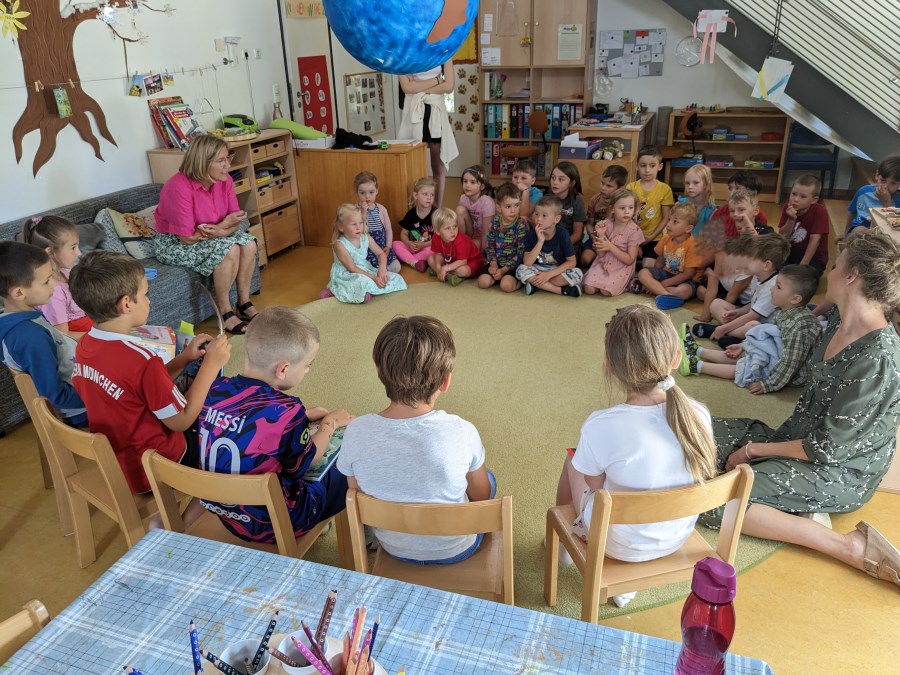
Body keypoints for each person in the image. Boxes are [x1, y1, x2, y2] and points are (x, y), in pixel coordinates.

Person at [699, 230, 900, 589]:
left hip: (839, 471)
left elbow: (828, 448)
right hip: (795, 439)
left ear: (852, 277)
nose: (829, 274)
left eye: (836, 266)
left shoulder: (878, 360)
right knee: (695, 432)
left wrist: (752, 451)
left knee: (714, 502)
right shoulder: (839, 319)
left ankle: (848, 546)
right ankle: (789, 500)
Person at [555, 304, 717, 607]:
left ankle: (565, 543)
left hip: (617, 544)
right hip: (676, 536)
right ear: (676, 359)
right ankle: (623, 585)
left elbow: (595, 485)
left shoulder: (602, 424)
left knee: (573, 461)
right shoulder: (698, 414)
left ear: (609, 365)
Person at [69, 250, 230, 494]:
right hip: (157, 467)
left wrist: (184, 359)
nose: (149, 301)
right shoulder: (141, 359)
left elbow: (140, 387)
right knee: (226, 429)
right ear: (126, 304)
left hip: (117, 462)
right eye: (145, 294)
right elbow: (181, 420)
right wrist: (211, 366)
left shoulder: (85, 345)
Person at [338, 315, 496, 563]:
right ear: (446, 382)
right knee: (487, 479)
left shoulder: (355, 431)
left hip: (393, 547)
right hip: (455, 549)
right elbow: (481, 496)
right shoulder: (462, 431)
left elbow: (356, 491)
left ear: (379, 371)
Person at [198, 307, 352, 544]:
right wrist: (329, 424)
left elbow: (247, 421)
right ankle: (366, 530)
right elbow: (307, 461)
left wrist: (303, 417)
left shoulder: (215, 390)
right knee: (351, 458)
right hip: (278, 522)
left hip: (228, 517)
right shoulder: (288, 411)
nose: (308, 369)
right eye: (308, 364)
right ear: (283, 369)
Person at [153, 134, 259, 335]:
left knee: (249, 244)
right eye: (221, 160)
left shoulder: (225, 180)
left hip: (211, 233)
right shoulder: (177, 187)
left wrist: (222, 229)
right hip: (175, 243)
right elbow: (187, 238)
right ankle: (225, 311)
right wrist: (223, 228)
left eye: (228, 158)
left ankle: (243, 303)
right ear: (202, 162)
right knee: (230, 249)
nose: (228, 165)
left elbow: (235, 221)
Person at [680, 265, 822, 394]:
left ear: (795, 299)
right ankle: (698, 351)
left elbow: (790, 364)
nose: (772, 289)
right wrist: (744, 346)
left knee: (746, 367)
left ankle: (697, 366)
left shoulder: (800, 328)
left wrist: (768, 384)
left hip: (792, 373)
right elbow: (769, 336)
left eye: (778, 287)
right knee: (747, 353)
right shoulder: (784, 310)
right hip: (777, 353)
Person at [0, 241, 86, 427]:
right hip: (81, 409)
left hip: (84, 385)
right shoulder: (29, 336)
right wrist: (103, 393)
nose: (54, 284)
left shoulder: (20, 318)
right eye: (47, 281)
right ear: (19, 293)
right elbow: (55, 395)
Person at [693, 234, 790, 346]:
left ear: (766, 265)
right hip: (752, 319)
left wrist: (724, 328)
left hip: (763, 329)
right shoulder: (759, 278)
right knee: (716, 304)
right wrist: (737, 312)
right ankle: (733, 335)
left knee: (751, 326)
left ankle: (723, 332)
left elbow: (753, 315)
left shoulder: (772, 287)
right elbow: (753, 305)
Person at [694, 190, 773, 322]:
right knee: (710, 298)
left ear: (755, 211)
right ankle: (727, 323)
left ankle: (735, 326)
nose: (736, 214)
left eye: (741, 209)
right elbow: (715, 283)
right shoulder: (731, 243)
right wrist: (706, 314)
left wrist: (750, 228)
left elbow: (765, 252)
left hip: (762, 303)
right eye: (732, 211)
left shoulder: (766, 232)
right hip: (743, 303)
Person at [398, 59, 458, 208]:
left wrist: (417, 86)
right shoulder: (404, 53)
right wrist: (437, 80)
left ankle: (436, 208)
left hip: (435, 110)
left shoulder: (443, 52)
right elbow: (407, 88)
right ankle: (416, 208)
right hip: (414, 110)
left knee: (438, 167)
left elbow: (449, 86)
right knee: (413, 165)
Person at [22, 215, 92, 341]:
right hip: (82, 338)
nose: (79, 253)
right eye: (73, 247)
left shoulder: (64, 272)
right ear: (50, 252)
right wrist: (99, 336)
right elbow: (62, 336)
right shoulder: (53, 291)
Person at [325, 204, 407, 304]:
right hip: (348, 273)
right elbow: (352, 268)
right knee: (362, 281)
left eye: (361, 222)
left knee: (395, 278)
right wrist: (374, 278)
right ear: (341, 227)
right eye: (353, 224)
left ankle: (369, 291)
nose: (358, 227)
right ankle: (334, 290)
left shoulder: (365, 237)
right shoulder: (339, 245)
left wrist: (382, 269)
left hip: (365, 269)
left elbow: (381, 254)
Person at [516, 195, 583, 297]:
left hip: (557, 270)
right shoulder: (531, 234)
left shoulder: (563, 234)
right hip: (537, 269)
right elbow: (527, 262)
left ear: (556, 219)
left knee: (577, 273)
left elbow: (572, 262)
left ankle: (537, 285)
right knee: (520, 270)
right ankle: (560, 290)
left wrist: (548, 275)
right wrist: (540, 242)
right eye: (536, 214)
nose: (538, 219)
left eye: (544, 216)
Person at [582, 188, 644, 297]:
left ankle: (626, 284)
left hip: (621, 267)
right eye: (622, 208)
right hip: (603, 263)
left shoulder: (634, 231)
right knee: (588, 289)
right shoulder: (606, 224)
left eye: (631, 207)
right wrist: (601, 235)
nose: (627, 211)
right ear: (612, 209)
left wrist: (610, 246)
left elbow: (630, 260)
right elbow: (601, 254)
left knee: (606, 291)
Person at [635, 202, 702, 301]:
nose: (669, 224)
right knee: (642, 273)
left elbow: (688, 274)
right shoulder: (666, 238)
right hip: (667, 274)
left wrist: (662, 284)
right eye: (669, 220)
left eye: (675, 221)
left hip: (687, 280)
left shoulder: (693, 245)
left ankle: (655, 289)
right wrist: (655, 278)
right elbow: (660, 261)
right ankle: (665, 294)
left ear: (688, 228)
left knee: (683, 291)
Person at [477, 182, 529, 293]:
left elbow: (521, 253)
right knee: (483, 282)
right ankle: (497, 277)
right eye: (508, 206)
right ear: (499, 207)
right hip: (497, 262)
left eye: (516, 205)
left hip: (513, 265)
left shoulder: (521, 224)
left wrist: (504, 270)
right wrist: (493, 264)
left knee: (506, 286)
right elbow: (490, 246)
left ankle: (520, 282)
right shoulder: (495, 222)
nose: (513, 210)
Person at [626, 146, 675, 263]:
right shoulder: (631, 187)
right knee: (627, 262)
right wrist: (637, 239)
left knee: (648, 266)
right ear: (637, 166)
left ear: (660, 166)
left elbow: (666, 218)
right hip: (632, 236)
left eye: (652, 166)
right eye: (643, 165)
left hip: (654, 238)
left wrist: (650, 237)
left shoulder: (665, 189)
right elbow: (627, 216)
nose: (647, 170)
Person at [778, 174, 830, 275]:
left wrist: (802, 267)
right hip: (792, 250)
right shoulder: (787, 208)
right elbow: (783, 236)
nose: (796, 199)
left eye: (803, 197)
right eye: (793, 194)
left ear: (814, 200)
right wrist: (791, 220)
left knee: (803, 278)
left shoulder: (820, 211)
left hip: (813, 257)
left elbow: (814, 241)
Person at [843, 154, 900, 237]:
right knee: (859, 230)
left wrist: (886, 203)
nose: (886, 187)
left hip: (884, 234)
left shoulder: (898, 200)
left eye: (893, 183)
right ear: (877, 175)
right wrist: (845, 233)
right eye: (883, 180)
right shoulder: (864, 191)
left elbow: (891, 227)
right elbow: (852, 212)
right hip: (860, 229)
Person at [581, 164, 628, 267]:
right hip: (597, 238)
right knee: (585, 259)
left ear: (620, 188)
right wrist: (593, 237)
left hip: (616, 241)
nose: (603, 188)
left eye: (609, 186)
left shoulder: (624, 203)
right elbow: (589, 224)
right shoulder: (594, 200)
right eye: (602, 183)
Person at [355, 171, 400, 273]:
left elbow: (388, 229)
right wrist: (363, 213)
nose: (367, 196)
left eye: (371, 192)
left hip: (382, 246)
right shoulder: (355, 210)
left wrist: (388, 246)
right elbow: (360, 230)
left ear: (376, 191)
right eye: (362, 193)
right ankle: (373, 270)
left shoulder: (382, 209)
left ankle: (381, 268)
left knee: (396, 268)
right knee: (364, 268)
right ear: (357, 192)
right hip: (366, 247)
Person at [428, 207, 483, 286]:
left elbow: (463, 261)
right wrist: (438, 266)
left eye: (455, 226)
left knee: (462, 271)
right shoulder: (436, 238)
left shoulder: (461, 240)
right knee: (430, 259)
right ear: (437, 231)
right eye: (448, 228)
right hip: (453, 261)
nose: (452, 231)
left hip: (471, 261)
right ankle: (446, 274)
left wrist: (445, 268)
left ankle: (443, 273)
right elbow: (438, 254)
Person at [392, 176, 437, 273]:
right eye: (425, 194)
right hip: (415, 247)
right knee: (394, 244)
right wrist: (409, 243)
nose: (429, 197)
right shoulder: (410, 214)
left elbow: (438, 237)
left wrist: (424, 244)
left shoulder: (436, 214)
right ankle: (416, 262)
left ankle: (408, 259)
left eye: (432, 195)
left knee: (434, 250)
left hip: (429, 246)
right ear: (416, 195)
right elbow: (404, 234)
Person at [455, 165, 495, 249]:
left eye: (472, 182)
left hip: (486, 236)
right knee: (459, 210)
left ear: (482, 186)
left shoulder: (487, 202)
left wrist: (484, 253)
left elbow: (487, 232)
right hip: (472, 233)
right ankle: (460, 241)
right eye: (465, 181)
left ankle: (465, 247)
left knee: (469, 248)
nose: (467, 185)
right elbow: (458, 221)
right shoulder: (463, 198)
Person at [548, 161, 586, 248]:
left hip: (569, 241)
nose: (555, 182)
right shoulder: (548, 198)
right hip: (551, 238)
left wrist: (561, 246)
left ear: (572, 183)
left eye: (561, 179)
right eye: (553, 178)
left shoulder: (577, 201)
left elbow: (577, 234)